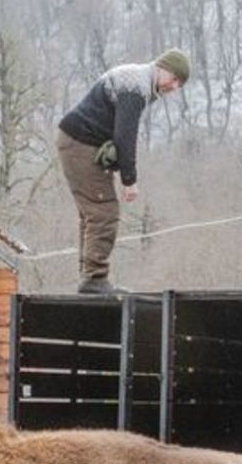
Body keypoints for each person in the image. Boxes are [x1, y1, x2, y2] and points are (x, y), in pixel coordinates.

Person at [56, 49, 191, 295]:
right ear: (162, 67)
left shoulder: (138, 79)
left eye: (179, 84)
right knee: (103, 211)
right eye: (174, 79)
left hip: (77, 141)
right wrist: (130, 180)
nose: (174, 87)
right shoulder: (136, 87)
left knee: (91, 214)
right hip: (80, 143)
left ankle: (89, 278)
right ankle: (94, 279)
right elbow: (125, 136)